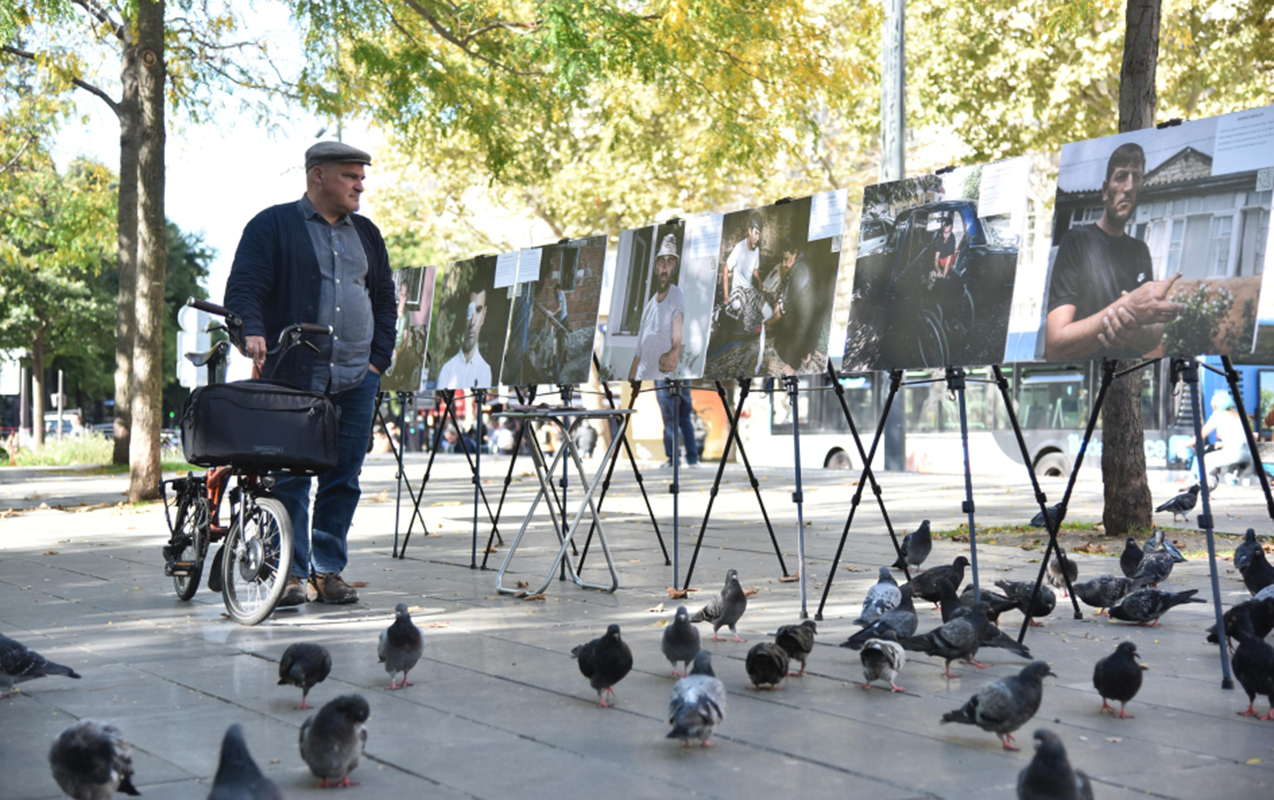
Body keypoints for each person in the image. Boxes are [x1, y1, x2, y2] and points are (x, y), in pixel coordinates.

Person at [225, 140, 396, 606]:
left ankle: (327, 570)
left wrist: (377, 361)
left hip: (357, 377)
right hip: (294, 375)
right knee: (290, 476)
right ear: (318, 175)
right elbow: (245, 288)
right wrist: (252, 331)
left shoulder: (367, 234)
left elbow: (384, 300)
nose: (360, 185)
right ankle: (290, 574)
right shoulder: (272, 225)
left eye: (361, 177)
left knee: (343, 477)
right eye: (350, 176)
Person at [1044, 142, 1185, 360]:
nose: (1128, 187)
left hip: (1130, 374)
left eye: (1136, 178)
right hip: (1088, 375)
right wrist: (1125, 307)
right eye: (1120, 177)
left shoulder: (1140, 250)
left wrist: (1132, 328)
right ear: (1104, 191)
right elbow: (1055, 344)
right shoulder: (1076, 241)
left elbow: (1153, 337)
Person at [628, 233, 685, 382]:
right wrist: (632, 382)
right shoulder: (648, 307)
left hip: (662, 383)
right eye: (661, 261)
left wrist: (673, 353)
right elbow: (637, 355)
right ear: (656, 267)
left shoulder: (675, 295)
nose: (664, 266)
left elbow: (676, 341)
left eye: (669, 261)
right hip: (642, 381)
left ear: (674, 266)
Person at [436, 275, 494, 390]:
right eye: (469, 311)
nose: (473, 322)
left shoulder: (485, 371)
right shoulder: (447, 369)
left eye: (478, 310)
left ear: (484, 315)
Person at [1184, 392, 1251, 481]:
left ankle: (1206, 483)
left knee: (1207, 459)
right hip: (1248, 454)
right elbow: (1241, 437)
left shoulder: (1218, 415)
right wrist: (1223, 444)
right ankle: (1233, 477)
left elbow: (1201, 435)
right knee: (1230, 476)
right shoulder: (1238, 415)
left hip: (1234, 453)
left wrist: (1186, 444)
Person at [721, 212, 764, 333]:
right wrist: (726, 297)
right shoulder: (739, 247)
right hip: (738, 290)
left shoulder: (757, 250)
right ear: (750, 231)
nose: (757, 238)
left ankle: (752, 321)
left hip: (749, 289)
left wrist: (759, 281)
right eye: (755, 233)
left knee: (768, 311)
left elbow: (755, 270)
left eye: (759, 234)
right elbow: (725, 268)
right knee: (736, 304)